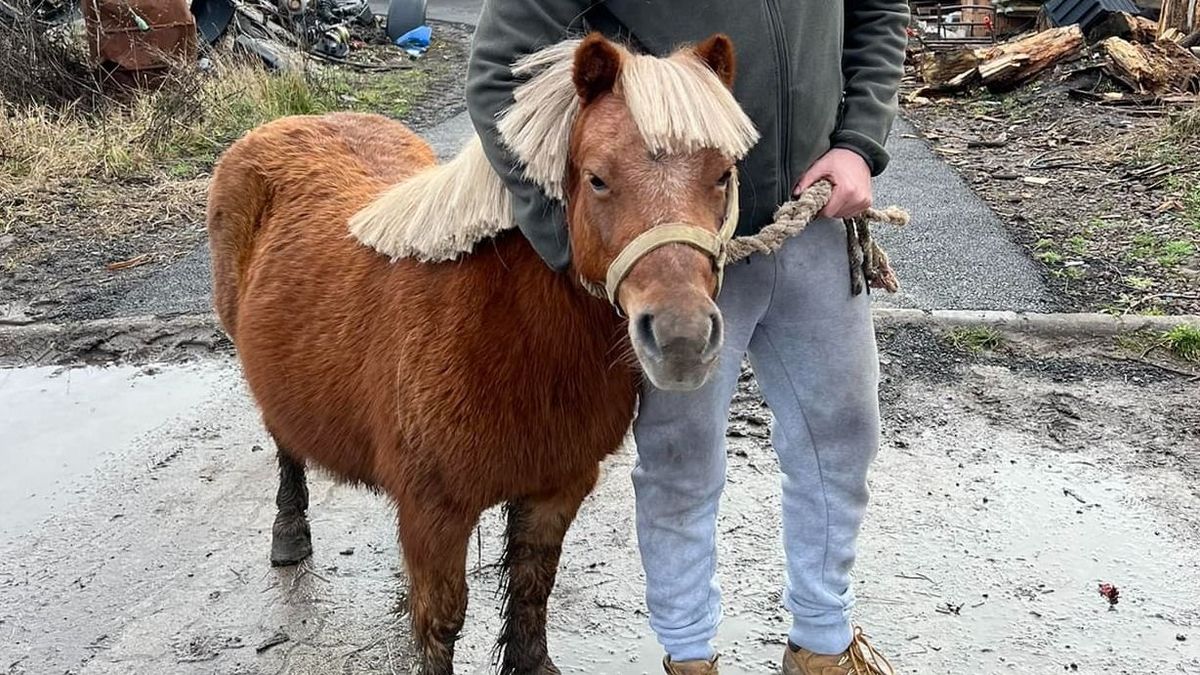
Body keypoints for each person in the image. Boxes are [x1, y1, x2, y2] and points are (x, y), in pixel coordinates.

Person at [466, 2, 909, 673]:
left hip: (814, 217)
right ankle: (689, 654)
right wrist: (582, 245)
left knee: (842, 436)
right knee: (680, 458)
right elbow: (500, 72)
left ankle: (823, 643)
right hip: (674, 247)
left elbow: (877, 10)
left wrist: (858, 140)